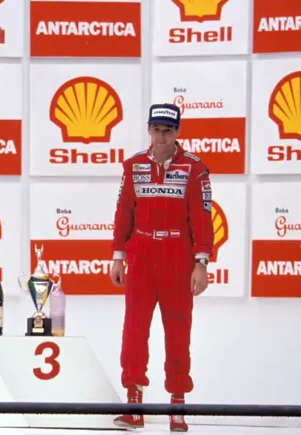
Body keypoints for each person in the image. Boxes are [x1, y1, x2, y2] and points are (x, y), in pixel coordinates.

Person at [109, 103, 214, 433]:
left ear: (177, 132)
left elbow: (202, 218)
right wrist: (118, 256)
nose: (162, 137)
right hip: (141, 253)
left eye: (168, 130)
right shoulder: (133, 166)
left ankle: (177, 407)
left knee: (178, 329)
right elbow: (124, 212)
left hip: (178, 255)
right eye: (157, 129)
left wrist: (201, 263)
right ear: (149, 129)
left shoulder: (195, 169)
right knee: (134, 328)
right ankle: (134, 406)